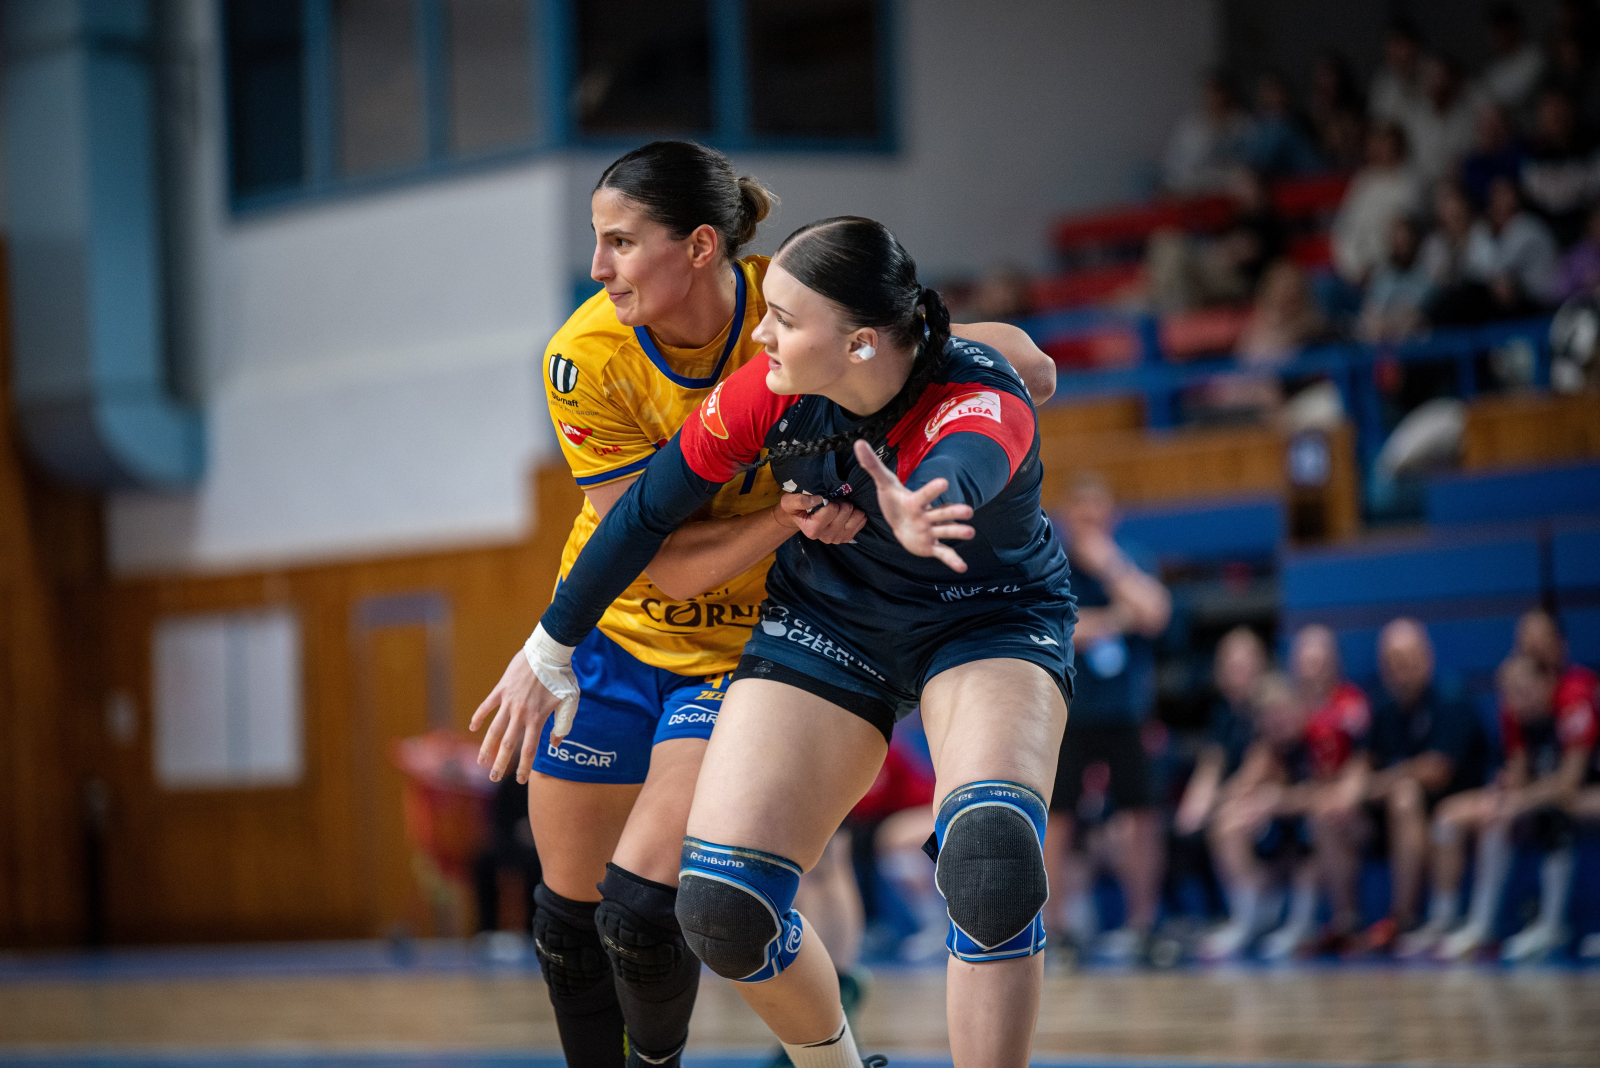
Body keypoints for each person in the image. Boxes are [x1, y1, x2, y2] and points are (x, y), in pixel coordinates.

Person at [472, 142, 1056, 1068]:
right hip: (824, 621)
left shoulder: (973, 387)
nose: (759, 337)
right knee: (718, 908)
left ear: (858, 340)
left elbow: (972, 447)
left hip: (976, 618)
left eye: (780, 320)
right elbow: (644, 521)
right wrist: (548, 646)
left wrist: (924, 500)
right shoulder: (758, 387)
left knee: (989, 860)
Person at [1045, 473, 1172, 964]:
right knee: (1057, 819)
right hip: (1068, 711)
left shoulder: (1129, 560)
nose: (1089, 525)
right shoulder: (1051, 563)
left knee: (1141, 815)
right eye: (1081, 516)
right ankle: (1056, 930)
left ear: (1111, 517)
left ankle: (1143, 925)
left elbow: (1155, 613)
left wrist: (1110, 565)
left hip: (1126, 713)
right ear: (1067, 519)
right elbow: (1052, 629)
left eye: (1098, 515)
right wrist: (1114, 620)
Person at [1416, 650, 1596, 962]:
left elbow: (1569, 782)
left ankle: (1552, 925)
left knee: (1557, 812)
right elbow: (1519, 778)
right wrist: (1508, 794)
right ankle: (1480, 925)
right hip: (1547, 798)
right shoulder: (1516, 718)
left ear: (1548, 682)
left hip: (1586, 791)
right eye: (1510, 694)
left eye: (1524, 691)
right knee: (1492, 816)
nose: (1517, 702)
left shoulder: (1572, 707)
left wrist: (1519, 800)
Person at [1346, 620, 1489, 954]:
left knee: (1406, 797)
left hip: (1455, 811)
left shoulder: (1451, 699)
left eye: (1408, 658)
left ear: (1427, 658)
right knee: (1335, 817)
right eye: (1393, 662)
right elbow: (1362, 763)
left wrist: (1379, 783)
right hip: (1396, 825)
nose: (1401, 669)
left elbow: (1437, 770)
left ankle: (1404, 919)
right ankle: (1345, 923)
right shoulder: (1385, 710)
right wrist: (1350, 789)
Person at [1331, 122, 1423, 285]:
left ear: (1398, 146)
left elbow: (1403, 239)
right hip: (1353, 270)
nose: (1380, 149)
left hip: (1392, 271)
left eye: (1386, 143)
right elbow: (1343, 229)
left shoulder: (1410, 184)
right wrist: (1352, 266)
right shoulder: (1363, 180)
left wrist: (1376, 268)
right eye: (1377, 142)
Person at [1519, 85, 1597, 247]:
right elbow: (1550, 201)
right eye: (1549, 110)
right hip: (1555, 239)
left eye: (1560, 108)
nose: (1556, 115)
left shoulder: (1593, 143)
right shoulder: (1532, 157)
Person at [1162, 71, 1254, 195]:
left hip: (1225, 176)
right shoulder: (1191, 123)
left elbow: (1248, 157)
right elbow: (1173, 160)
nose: (1212, 97)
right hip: (1191, 178)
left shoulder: (1241, 122)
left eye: (1217, 91)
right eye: (1208, 91)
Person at [1402, 55, 1479, 186]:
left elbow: (1471, 155)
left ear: (1452, 81)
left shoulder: (1468, 116)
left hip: (1458, 185)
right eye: (1431, 77)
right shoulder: (1413, 116)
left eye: (1441, 77)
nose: (1437, 83)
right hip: (1420, 185)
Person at [1358, 216, 1435, 342]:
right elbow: (1370, 315)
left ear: (1415, 241)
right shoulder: (1382, 278)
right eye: (1398, 240)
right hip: (1381, 343)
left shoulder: (1426, 277)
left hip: (1414, 344)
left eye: (1406, 240)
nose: (1403, 246)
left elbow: (1416, 317)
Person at [1242, 71, 1323, 179]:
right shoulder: (1257, 126)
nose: (1273, 96)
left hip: (1317, 180)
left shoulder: (1289, 127)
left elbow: (1257, 164)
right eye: (1268, 91)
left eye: (1276, 91)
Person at [1477, 2, 1547, 121]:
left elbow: (1521, 96)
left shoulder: (1534, 57)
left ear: (1515, 28)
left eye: (1502, 30)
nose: (1497, 37)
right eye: (1494, 32)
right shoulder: (1492, 69)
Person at [1369, 18, 1427, 127]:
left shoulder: (1437, 75)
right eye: (1390, 46)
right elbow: (1379, 123)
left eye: (1399, 43)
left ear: (1415, 45)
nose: (1395, 51)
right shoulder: (1383, 82)